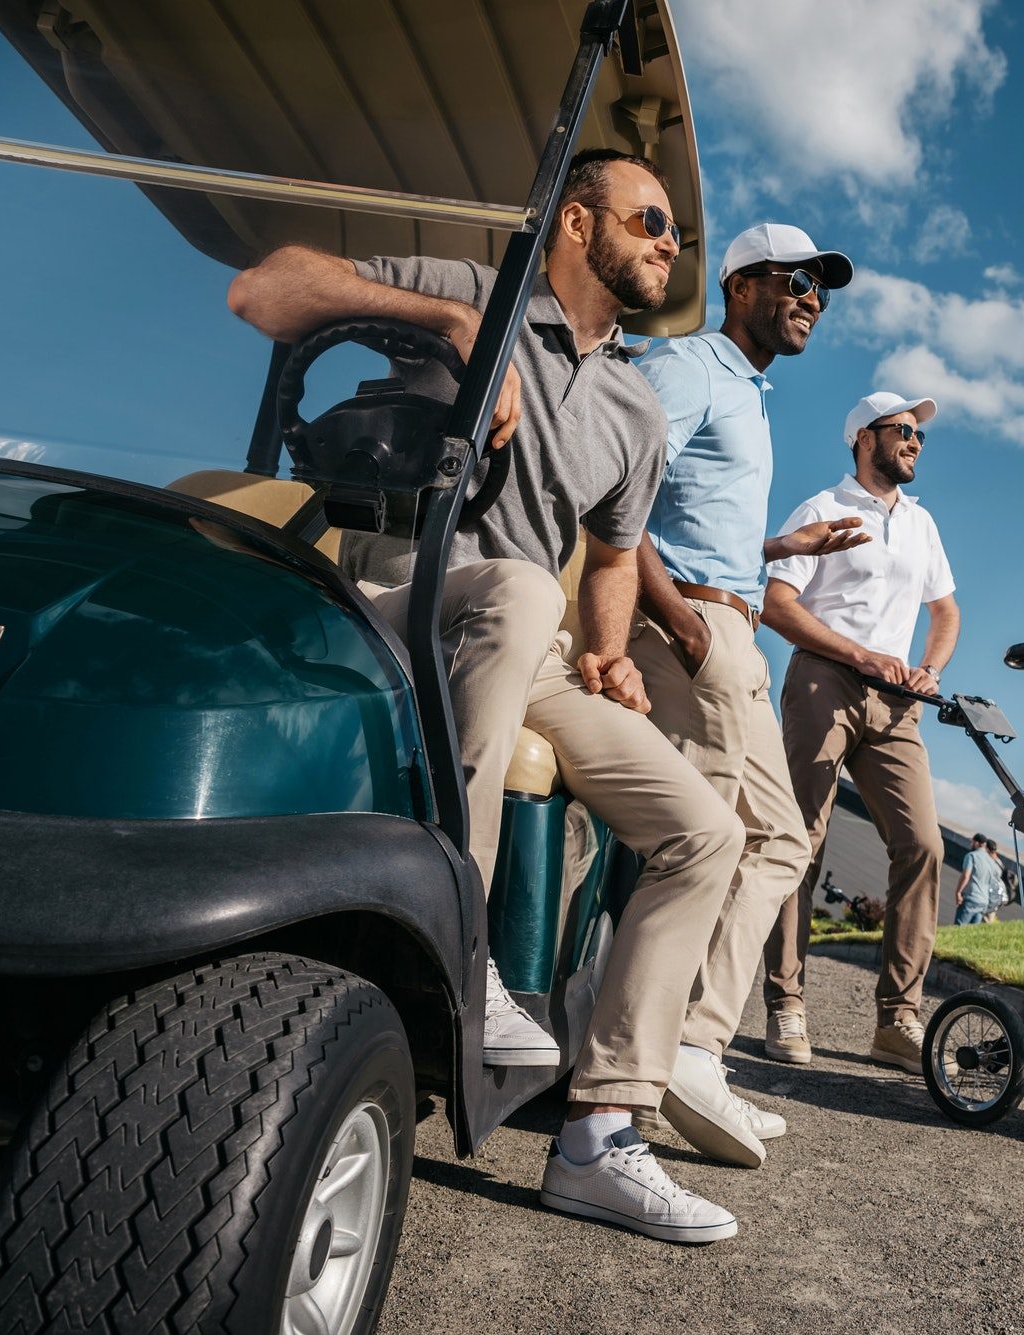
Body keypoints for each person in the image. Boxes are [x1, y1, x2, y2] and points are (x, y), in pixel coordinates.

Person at [228, 149, 745, 1243]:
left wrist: (609, 655)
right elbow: (262, 291)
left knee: (704, 828)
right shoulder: (470, 292)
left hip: (531, 643)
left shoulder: (635, 409)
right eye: (651, 220)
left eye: (674, 235)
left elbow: (608, 560)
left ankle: (600, 1136)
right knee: (511, 586)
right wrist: (447, 325)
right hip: (389, 582)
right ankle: (461, 949)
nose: (668, 242)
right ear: (574, 221)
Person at [627, 223, 858, 1167]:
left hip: (733, 624)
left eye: (822, 290)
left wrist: (779, 552)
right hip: (696, 630)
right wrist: (679, 621)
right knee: (711, 847)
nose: (812, 299)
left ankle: (694, 1047)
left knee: (781, 840)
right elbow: (612, 493)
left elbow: (701, 520)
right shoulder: (685, 367)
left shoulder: (750, 396)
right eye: (798, 281)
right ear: (743, 283)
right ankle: (632, 1080)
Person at [760, 391, 961, 1075]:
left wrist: (929, 668)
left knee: (923, 844)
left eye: (920, 435)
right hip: (826, 680)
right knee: (802, 837)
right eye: (903, 429)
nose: (915, 441)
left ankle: (898, 1018)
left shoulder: (922, 524)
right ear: (862, 438)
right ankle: (785, 1001)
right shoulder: (821, 509)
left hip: (898, 700)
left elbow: (946, 610)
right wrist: (858, 654)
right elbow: (776, 604)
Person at [954, 833, 999, 926]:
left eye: (972, 842)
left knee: (958, 929)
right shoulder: (991, 861)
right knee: (971, 933)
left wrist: (958, 892)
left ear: (977, 843)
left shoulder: (971, 856)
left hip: (971, 898)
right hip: (983, 902)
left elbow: (966, 876)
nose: (971, 844)